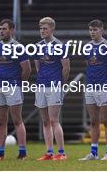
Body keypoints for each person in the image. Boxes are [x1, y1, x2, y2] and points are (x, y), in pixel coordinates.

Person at [79, 19, 107, 161]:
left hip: (104, 87)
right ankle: (94, 152)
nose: (92, 32)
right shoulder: (86, 47)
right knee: (93, 121)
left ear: (102, 30)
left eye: (95, 30)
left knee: (106, 120)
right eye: (90, 30)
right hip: (90, 87)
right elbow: (89, 65)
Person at [0, 19, 31, 160]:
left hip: (14, 86)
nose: (1, 31)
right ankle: (0, 152)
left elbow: (27, 70)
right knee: (1, 121)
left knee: (17, 120)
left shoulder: (19, 47)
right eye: (0, 28)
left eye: (4, 28)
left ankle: (22, 153)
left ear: (12, 30)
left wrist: (18, 84)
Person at [34, 17, 70, 160]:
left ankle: (61, 152)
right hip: (41, 85)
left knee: (54, 120)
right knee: (45, 121)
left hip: (55, 86)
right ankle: (49, 152)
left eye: (45, 28)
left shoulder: (60, 46)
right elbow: (38, 67)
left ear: (52, 29)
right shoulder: (37, 46)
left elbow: (66, 68)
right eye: (41, 28)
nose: (42, 31)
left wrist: (60, 83)